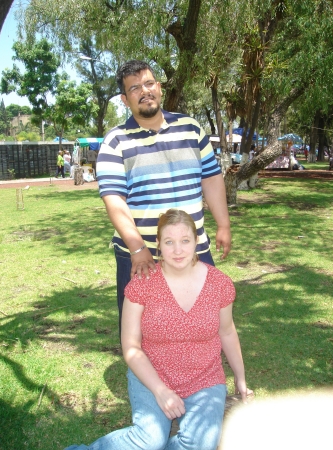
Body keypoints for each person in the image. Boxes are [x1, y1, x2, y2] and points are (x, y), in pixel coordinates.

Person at [64, 209, 251, 450]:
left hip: (205, 378)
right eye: (169, 242)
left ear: (196, 241)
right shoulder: (143, 284)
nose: (178, 250)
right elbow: (131, 347)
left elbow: (227, 332)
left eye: (185, 241)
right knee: (149, 440)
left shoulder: (219, 284)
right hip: (152, 375)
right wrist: (160, 391)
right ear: (159, 246)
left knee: (200, 443)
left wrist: (240, 378)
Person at [96, 60, 231, 333]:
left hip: (194, 248)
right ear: (125, 99)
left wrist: (224, 224)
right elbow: (114, 200)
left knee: (203, 322)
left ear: (159, 87)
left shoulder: (191, 129)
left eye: (148, 84)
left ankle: (198, 372)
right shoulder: (115, 141)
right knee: (141, 330)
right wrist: (137, 249)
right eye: (134, 88)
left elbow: (212, 178)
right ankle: (145, 377)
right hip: (141, 255)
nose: (144, 91)